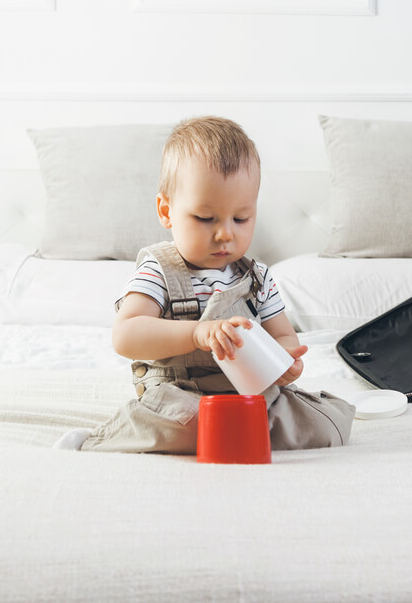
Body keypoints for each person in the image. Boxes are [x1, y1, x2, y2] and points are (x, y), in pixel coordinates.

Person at [56, 116, 354, 452]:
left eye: (241, 218)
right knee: (196, 426)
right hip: (181, 397)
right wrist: (197, 334)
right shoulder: (159, 270)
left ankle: (246, 429)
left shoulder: (257, 278)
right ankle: (100, 439)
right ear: (166, 211)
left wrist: (285, 363)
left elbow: (284, 336)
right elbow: (126, 335)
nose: (225, 232)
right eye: (205, 218)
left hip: (248, 395)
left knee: (322, 427)